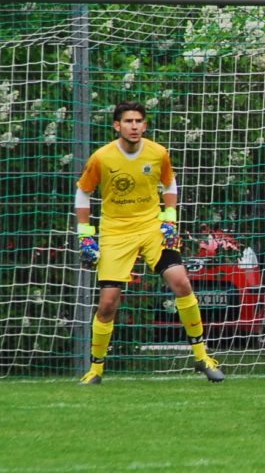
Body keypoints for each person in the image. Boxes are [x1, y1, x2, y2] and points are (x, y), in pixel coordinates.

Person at [75, 101, 224, 385]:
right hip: (116, 232)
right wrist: (85, 235)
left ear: (144, 125)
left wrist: (169, 220)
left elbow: (169, 183)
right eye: (128, 121)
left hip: (151, 227)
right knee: (108, 303)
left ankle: (202, 356)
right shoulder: (102, 157)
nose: (133, 126)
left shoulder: (157, 153)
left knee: (181, 282)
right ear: (117, 126)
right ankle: (96, 369)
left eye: (138, 121)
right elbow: (83, 192)